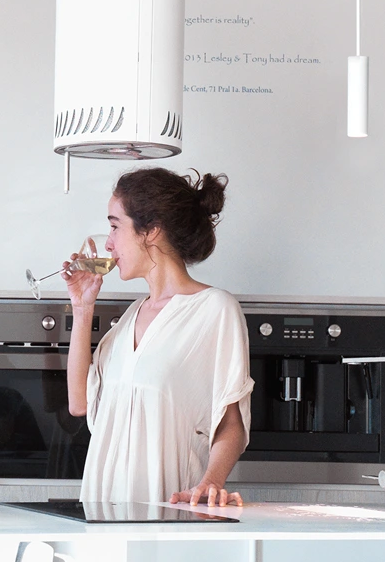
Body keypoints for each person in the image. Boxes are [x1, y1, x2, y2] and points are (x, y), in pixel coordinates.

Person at [63, 168, 252, 507]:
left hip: (168, 508)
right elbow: (80, 403)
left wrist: (210, 483)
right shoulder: (128, 320)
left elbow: (231, 423)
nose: (107, 243)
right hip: (100, 509)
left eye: (115, 225)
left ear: (151, 230)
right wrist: (82, 307)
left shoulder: (214, 310)